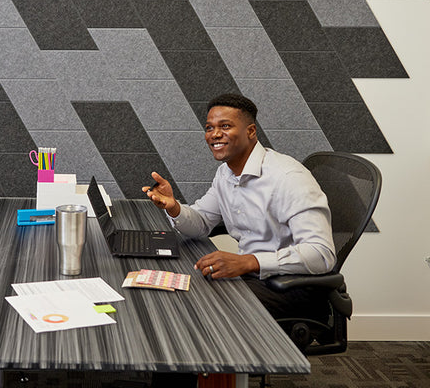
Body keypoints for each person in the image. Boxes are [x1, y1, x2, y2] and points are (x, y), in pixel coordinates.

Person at [142, 93, 336, 321]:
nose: (214, 134)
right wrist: (174, 208)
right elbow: (202, 223)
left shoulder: (289, 177)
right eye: (209, 127)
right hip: (253, 277)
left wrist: (248, 262)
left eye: (225, 126)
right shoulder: (226, 173)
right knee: (179, 291)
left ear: (251, 131)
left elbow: (322, 254)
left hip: (293, 286)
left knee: (197, 308)